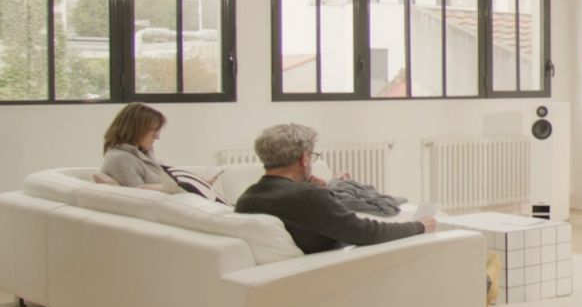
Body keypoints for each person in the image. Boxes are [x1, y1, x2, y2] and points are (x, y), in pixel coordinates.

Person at [234, 124, 436, 254]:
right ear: (305, 159)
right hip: (337, 268)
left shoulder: (248, 197)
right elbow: (365, 232)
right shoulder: (307, 196)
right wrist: (418, 226)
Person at [97, 102, 184, 193]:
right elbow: (138, 198)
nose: (157, 137)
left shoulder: (142, 154)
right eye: (154, 131)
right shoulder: (121, 159)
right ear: (136, 129)